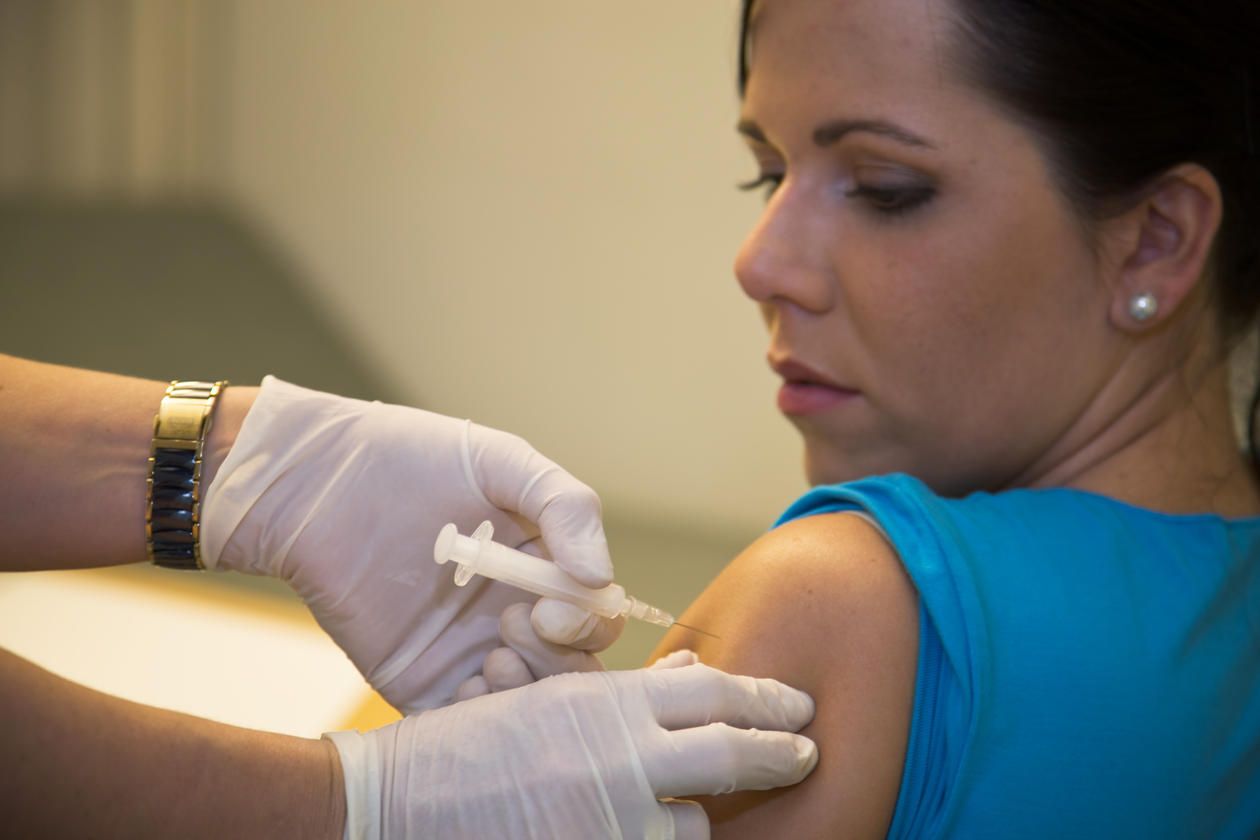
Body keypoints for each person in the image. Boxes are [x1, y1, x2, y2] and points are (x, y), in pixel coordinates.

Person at [478, 0, 1260, 837]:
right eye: (769, 174)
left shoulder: (838, 607)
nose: (758, 263)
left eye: (886, 191)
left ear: (1156, 240)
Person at [0, 353, 819, 838]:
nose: (755, 263)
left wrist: (248, 463)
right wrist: (355, 805)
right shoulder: (817, 578)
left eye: (878, 190)